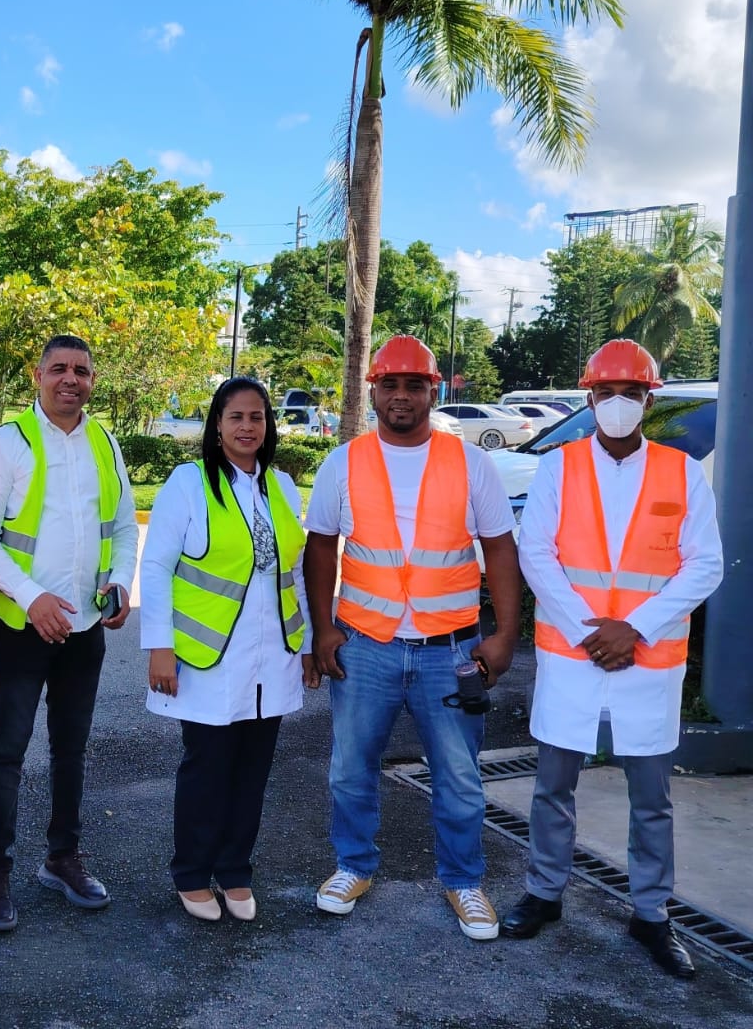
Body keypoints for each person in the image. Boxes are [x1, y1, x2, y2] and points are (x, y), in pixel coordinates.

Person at [500, 340, 722, 978]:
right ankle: (545, 894)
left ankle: (651, 913)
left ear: (648, 400)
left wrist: (636, 629)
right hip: (575, 655)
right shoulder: (559, 468)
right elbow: (535, 552)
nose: (617, 404)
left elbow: (703, 561)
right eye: (606, 393)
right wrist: (590, 630)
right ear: (588, 397)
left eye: (631, 394)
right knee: (552, 786)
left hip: (646, 662)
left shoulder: (680, 473)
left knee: (651, 796)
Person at [303, 335, 522, 940]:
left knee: (457, 772)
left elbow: (500, 546)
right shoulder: (344, 461)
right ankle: (353, 866)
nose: (401, 396)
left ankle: (464, 880)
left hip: (449, 648)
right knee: (351, 767)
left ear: (434, 390)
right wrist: (323, 628)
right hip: (365, 643)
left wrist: (505, 634)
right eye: (390, 385)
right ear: (373, 389)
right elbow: (322, 545)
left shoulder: (469, 461)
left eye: (413, 385)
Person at [0, 334, 139, 931]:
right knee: (7, 753)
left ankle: (62, 858)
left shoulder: (104, 441)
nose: (72, 379)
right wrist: (31, 596)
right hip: (22, 627)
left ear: (94, 380)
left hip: (84, 627)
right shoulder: (5, 444)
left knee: (71, 751)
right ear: (37, 375)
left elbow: (121, 526)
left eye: (83, 371)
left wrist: (121, 582)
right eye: (60, 369)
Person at [141, 377, 311, 921]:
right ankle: (192, 873)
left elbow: (296, 571)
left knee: (253, 769)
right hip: (208, 657)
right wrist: (158, 647)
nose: (247, 427)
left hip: (273, 655)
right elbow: (156, 566)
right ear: (217, 425)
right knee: (207, 768)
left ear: (268, 425)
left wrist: (304, 643)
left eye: (257, 417)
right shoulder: (189, 483)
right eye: (235, 417)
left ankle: (235, 870)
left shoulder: (281, 486)